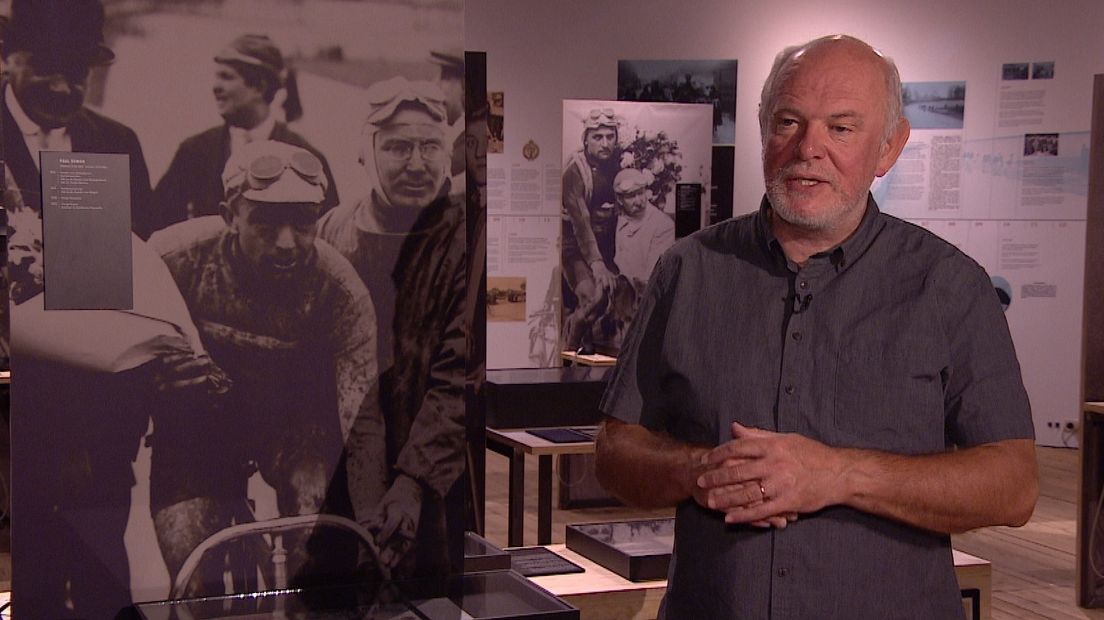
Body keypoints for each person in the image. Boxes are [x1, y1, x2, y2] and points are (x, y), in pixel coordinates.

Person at [595, 34, 1038, 619]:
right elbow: (615, 450)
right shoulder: (688, 271)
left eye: (842, 128)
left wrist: (840, 475)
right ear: (763, 130)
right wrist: (698, 470)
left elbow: (1014, 484)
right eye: (789, 121)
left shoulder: (949, 286)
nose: (810, 148)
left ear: (890, 148)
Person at [148, 140, 384, 595]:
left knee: (319, 570)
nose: (286, 242)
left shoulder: (340, 291)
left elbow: (362, 422)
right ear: (228, 215)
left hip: (296, 429)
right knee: (197, 582)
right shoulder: (173, 259)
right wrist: (153, 384)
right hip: (198, 429)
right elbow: (114, 364)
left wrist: (369, 516)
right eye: (265, 222)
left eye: (302, 222)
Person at [318, 77, 467, 581]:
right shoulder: (331, 231)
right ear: (367, 152)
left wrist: (414, 478)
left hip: (430, 469)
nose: (417, 163)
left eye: (431, 147)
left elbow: (460, 376)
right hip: (338, 459)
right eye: (399, 147)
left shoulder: (469, 237)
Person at [150, 34, 339, 233]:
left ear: (259, 87)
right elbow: (158, 226)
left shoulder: (305, 157)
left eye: (227, 77)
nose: (215, 87)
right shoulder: (194, 151)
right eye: (216, 76)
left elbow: (327, 237)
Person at [0, 0, 154, 238]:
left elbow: (141, 252)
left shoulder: (118, 143)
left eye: (76, 71)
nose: (61, 88)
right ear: (7, 56)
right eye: (46, 66)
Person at [561, 108, 622, 349]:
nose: (605, 143)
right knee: (592, 297)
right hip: (574, 245)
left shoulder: (619, 162)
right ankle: (568, 348)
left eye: (610, 136)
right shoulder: (574, 172)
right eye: (598, 137)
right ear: (585, 139)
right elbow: (580, 221)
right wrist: (597, 264)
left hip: (607, 245)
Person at [612, 167, 674, 290]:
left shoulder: (663, 225)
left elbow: (651, 279)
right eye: (631, 196)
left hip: (642, 296)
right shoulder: (614, 221)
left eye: (640, 193)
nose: (638, 201)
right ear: (619, 199)